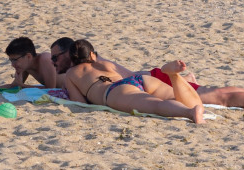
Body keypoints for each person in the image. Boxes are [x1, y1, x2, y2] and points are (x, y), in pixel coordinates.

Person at [60, 40, 206, 123]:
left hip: (114, 91)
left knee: (156, 105)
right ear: (92, 54)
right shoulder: (105, 64)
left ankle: (189, 112)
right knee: (192, 102)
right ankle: (174, 77)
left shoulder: (71, 73)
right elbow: (130, 74)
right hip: (139, 80)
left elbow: (78, 102)